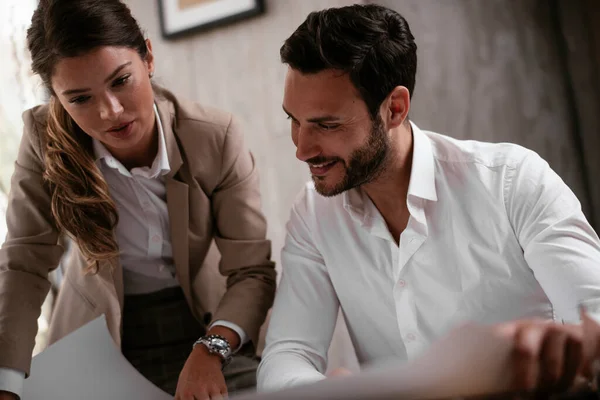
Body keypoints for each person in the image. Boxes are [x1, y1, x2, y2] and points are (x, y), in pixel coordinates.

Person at [257, 3, 600, 395]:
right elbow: (286, 354)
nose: (302, 148)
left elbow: (595, 318)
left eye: (326, 125)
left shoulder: (512, 181)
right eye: (294, 121)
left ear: (394, 109)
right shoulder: (313, 214)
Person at [0, 0, 276, 399]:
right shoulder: (44, 141)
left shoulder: (214, 136)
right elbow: (24, 264)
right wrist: (6, 384)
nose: (110, 112)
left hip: (210, 329)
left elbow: (252, 270)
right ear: (57, 98)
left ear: (147, 56)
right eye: (80, 99)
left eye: (120, 81)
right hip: (98, 340)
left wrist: (213, 348)